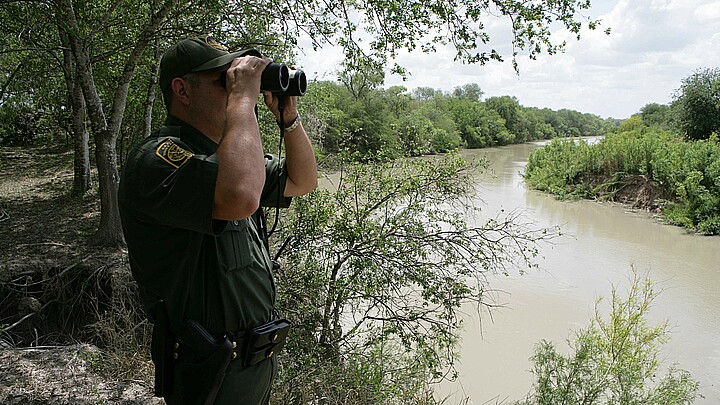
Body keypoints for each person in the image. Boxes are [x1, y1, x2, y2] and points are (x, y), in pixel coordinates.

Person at [118, 35, 317, 404]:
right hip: (208, 370)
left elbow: (301, 180)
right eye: (224, 81)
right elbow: (239, 195)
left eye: (236, 81)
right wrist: (242, 99)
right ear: (182, 90)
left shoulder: (230, 158)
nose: (238, 89)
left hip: (255, 362)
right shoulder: (154, 159)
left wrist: (288, 117)